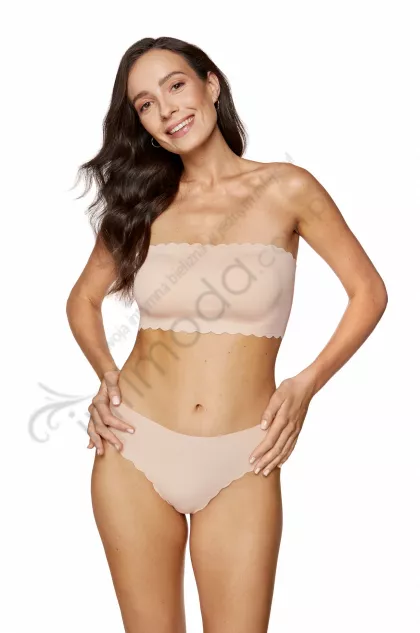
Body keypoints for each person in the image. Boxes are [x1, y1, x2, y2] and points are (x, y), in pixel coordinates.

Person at [66, 36, 388, 633]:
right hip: (134, 448)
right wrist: (107, 378)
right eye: (145, 104)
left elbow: (368, 292)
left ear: (210, 84)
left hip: (245, 455)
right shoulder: (143, 203)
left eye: (176, 86)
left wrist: (305, 385)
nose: (166, 109)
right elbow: (82, 300)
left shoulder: (287, 188)